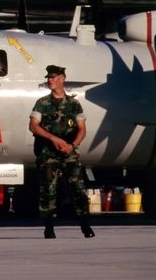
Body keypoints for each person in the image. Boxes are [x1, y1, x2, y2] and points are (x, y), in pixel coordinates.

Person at [29, 65, 95, 239]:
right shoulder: (42, 103)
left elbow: (82, 129)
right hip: (48, 153)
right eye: (49, 78)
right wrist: (54, 139)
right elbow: (33, 126)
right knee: (48, 190)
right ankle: (49, 228)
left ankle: (85, 225)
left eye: (53, 77)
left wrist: (72, 145)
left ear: (62, 79)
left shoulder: (74, 104)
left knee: (78, 188)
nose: (50, 80)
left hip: (69, 152)